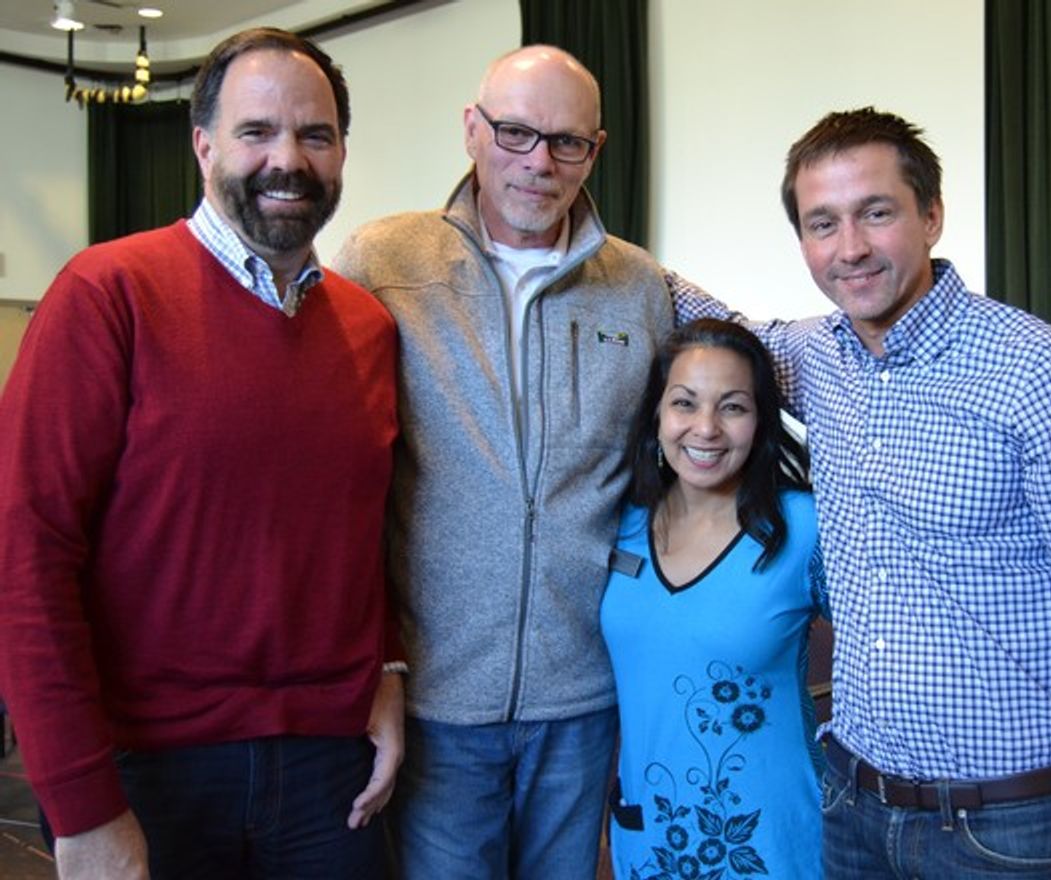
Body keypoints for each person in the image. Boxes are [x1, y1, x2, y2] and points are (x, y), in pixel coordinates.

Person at [0, 28, 404, 879]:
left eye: (315, 134)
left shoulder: (369, 329)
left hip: (332, 775)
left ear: (341, 152)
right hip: (151, 770)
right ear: (203, 145)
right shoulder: (105, 296)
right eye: (257, 132)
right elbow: (25, 557)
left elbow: (370, 535)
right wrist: (79, 803)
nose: (287, 159)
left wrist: (388, 670)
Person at [333, 44, 730, 878]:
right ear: (472, 130)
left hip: (582, 698)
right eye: (515, 132)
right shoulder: (381, 262)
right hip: (436, 697)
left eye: (567, 142)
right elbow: (334, 475)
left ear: (596, 149)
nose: (539, 163)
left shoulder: (639, 286)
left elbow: (699, 415)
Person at [752, 107, 1051, 879]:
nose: (850, 247)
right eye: (823, 223)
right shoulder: (814, 357)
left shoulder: (1042, 374)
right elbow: (703, 324)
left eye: (876, 213)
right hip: (851, 810)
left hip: (1007, 831)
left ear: (932, 216)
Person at [601, 318, 825, 879]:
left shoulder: (804, 528)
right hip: (651, 837)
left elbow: (894, 647)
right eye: (685, 403)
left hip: (775, 843)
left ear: (761, 420)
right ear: (657, 414)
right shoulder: (621, 524)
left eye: (733, 407)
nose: (706, 428)